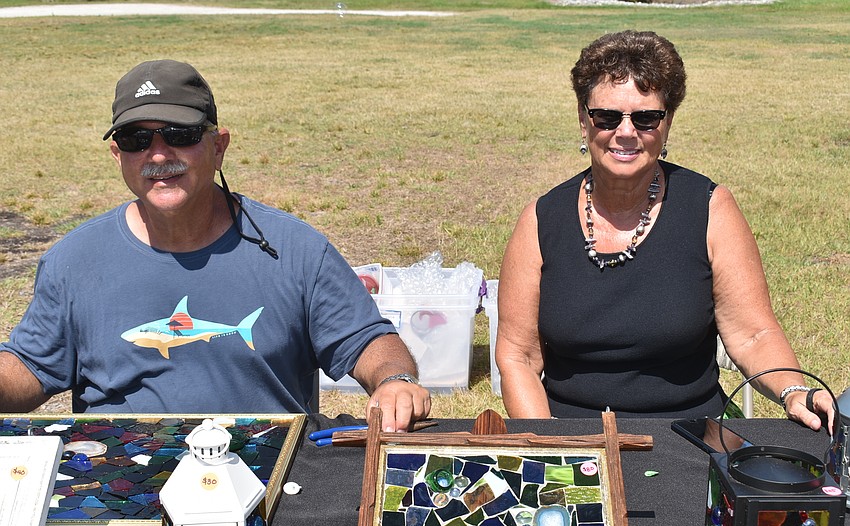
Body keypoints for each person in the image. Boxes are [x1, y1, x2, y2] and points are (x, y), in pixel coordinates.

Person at [0, 59, 430, 432]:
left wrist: (395, 380)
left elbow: (367, 341)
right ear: (118, 156)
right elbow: (31, 367)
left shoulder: (296, 250)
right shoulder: (73, 260)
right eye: (136, 139)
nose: (157, 154)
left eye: (180, 135)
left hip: (268, 470)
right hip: (126, 474)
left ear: (218, 146)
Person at [496, 31, 833, 430]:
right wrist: (551, 445)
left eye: (646, 118)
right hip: (574, 438)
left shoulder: (711, 209)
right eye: (607, 117)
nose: (626, 132)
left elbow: (753, 334)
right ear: (584, 121)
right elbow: (518, 356)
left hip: (692, 434)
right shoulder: (541, 219)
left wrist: (794, 391)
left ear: (667, 123)